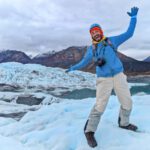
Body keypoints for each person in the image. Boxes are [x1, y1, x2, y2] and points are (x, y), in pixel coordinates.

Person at [66, 7, 139, 148]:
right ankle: (89, 131)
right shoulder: (91, 49)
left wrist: (133, 18)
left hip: (119, 76)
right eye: (93, 33)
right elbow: (84, 62)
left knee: (127, 102)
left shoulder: (112, 41)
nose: (96, 34)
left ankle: (124, 123)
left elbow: (129, 33)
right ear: (91, 35)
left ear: (101, 32)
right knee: (100, 105)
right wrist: (73, 67)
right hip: (103, 80)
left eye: (97, 32)